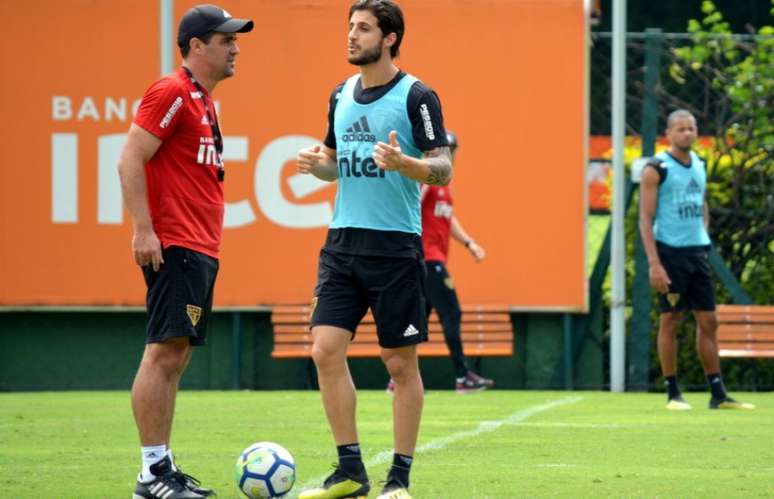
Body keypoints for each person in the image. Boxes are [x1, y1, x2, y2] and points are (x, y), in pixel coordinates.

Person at [295, 1, 452, 497]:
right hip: (341, 244)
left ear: (389, 38)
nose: (351, 36)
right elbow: (334, 165)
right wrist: (316, 165)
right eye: (350, 27)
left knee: (399, 363)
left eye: (363, 28)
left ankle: (399, 479)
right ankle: (351, 471)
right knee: (324, 350)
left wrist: (406, 164)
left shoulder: (417, 96)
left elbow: (442, 166)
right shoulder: (339, 94)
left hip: (395, 248)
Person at [117, 5, 253, 498]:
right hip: (174, 241)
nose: (236, 48)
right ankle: (151, 474)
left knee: (175, 355)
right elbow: (130, 155)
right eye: (226, 40)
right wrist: (143, 229)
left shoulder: (204, 101)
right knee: (163, 354)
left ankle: (160, 468)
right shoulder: (172, 90)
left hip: (198, 245)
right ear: (197, 45)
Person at [639, 109, 754, 412]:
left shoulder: (700, 165)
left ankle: (718, 393)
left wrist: (703, 232)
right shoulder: (657, 168)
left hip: (696, 253)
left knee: (709, 321)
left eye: (691, 128)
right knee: (672, 319)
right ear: (669, 134)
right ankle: (673, 393)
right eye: (680, 129)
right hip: (670, 255)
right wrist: (655, 263)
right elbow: (645, 217)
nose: (687, 133)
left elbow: (701, 201)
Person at [387, 131, 494, 394]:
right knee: (451, 313)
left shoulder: (444, 183)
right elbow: (412, 202)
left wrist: (470, 243)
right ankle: (462, 377)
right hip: (427, 259)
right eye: (443, 149)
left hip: (430, 260)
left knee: (416, 323)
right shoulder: (427, 177)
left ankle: (396, 378)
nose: (448, 153)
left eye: (451, 149)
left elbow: (448, 219)